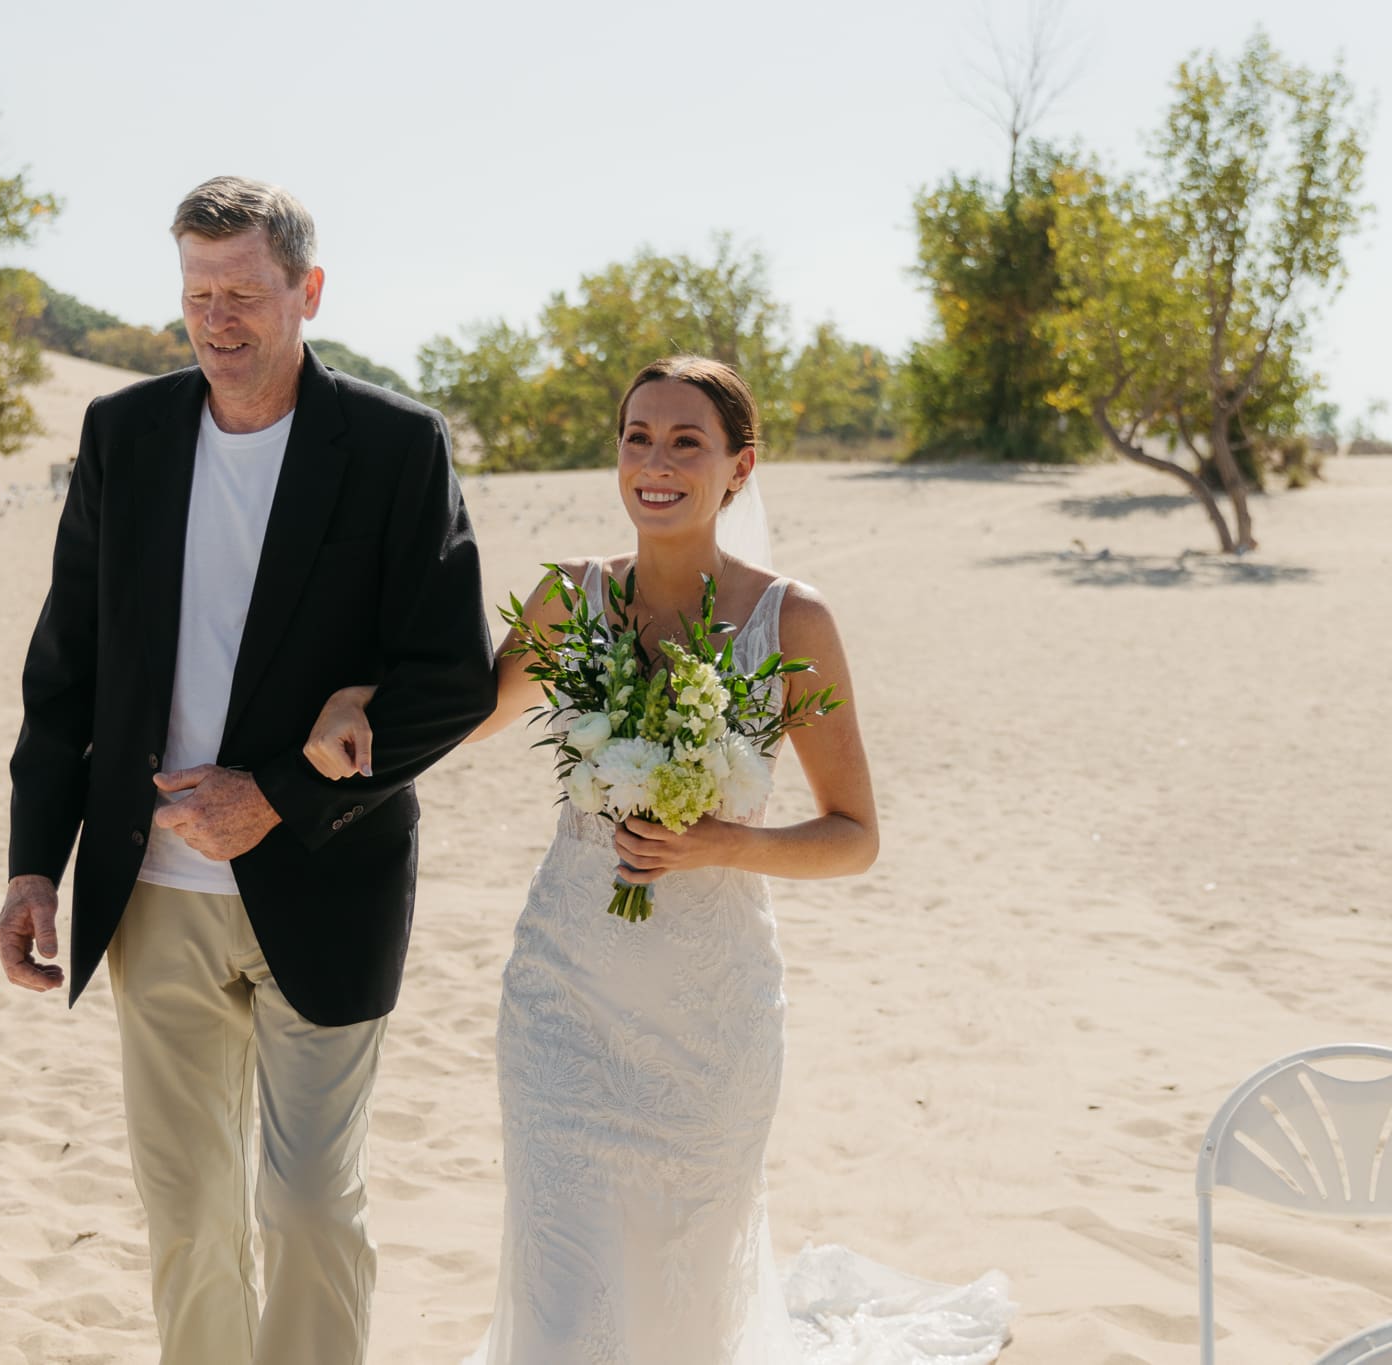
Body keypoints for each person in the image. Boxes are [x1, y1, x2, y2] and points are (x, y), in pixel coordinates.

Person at [304, 356, 1014, 1363]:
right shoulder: (568, 600)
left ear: (738, 467)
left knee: (680, 1289)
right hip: (562, 997)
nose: (655, 461)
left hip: (707, 1022)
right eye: (637, 436)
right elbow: (457, 722)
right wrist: (353, 699)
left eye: (687, 442)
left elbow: (853, 836)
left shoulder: (792, 622)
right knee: (561, 1288)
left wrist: (722, 843)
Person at [0, 175, 497, 1365]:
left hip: (327, 886)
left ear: (305, 292)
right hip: (150, 895)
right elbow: (66, 669)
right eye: (196, 294)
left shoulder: (393, 446)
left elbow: (451, 683)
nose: (217, 320)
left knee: (312, 1209)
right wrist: (30, 867)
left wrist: (274, 792)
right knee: (188, 1219)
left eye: (244, 294)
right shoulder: (124, 435)